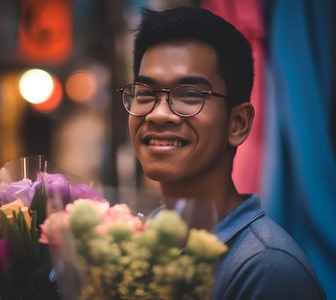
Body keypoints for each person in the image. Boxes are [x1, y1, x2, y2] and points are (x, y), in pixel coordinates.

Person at [118, 6, 327, 299]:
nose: (158, 114)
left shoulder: (266, 269)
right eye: (145, 94)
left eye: (190, 94)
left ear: (238, 123)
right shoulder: (151, 237)